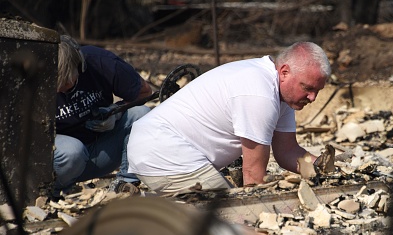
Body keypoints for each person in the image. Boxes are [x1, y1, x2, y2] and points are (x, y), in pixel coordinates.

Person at [127, 41, 331, 193]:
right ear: (284, 72)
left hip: (163, 146)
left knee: (221, 207)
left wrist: (327, 171)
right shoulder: (259, 93)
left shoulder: (281, 93)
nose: (312, 98)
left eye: (317, 90)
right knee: (229, 214)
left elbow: (287, 150)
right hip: (161, 149)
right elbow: (252, 175)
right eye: (308, 88)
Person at [53, 35, 153, 199]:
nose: (60, 91)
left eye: (66, 84)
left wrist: (116, 111)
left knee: (142, 115)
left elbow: (145, 92)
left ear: (80, 66)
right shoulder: (33, 80)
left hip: (98, 151)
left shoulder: (99, 61)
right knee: (73, 150)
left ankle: (124, 185)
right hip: (61, 160)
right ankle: (52, 192)